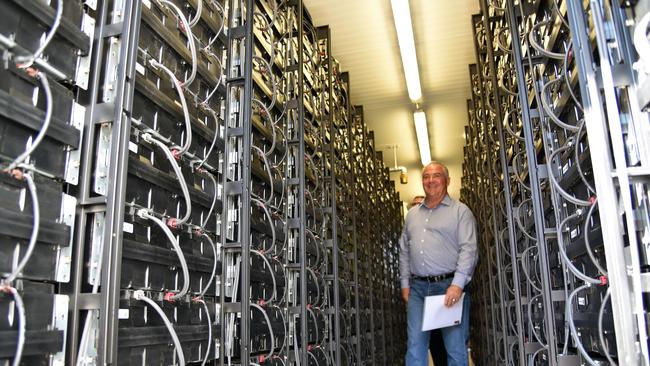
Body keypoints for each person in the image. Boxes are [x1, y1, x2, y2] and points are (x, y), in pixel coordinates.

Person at [400, 162, 478, 366]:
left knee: (454, 347)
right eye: (426, 176)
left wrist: (458, 284)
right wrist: (405, 284)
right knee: (415, 346)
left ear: (447, 181)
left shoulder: (461, 212)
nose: (431, 180)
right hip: (417, 289)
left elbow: (469, 250)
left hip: (448, 287)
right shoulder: (412, 216)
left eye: (436, 175)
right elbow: (404, 251)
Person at [409, 195, 447, 366]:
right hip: (418, 293)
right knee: (423, 338)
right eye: (415, 206)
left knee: (441, 336)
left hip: (439, 290)